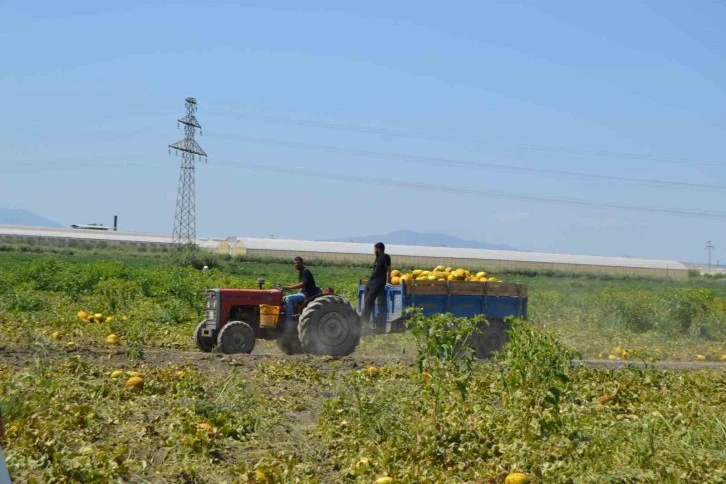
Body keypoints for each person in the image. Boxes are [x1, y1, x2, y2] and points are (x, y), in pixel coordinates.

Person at [360, 242, 391, 327]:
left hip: (378, 282)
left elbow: (389, 270)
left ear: (378, 249)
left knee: (368, 302)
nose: (373, 251)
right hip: (371, 281)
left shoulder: (386, 256)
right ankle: (366, 321)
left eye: (374, 249)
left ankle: (362, 323)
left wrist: (388, 281)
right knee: (365, 300)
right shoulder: (377, 258)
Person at [281, 256, 318, 322]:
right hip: (303, 293)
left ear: (302, 263)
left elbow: (302, 284)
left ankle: (288, 321)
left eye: (297, 263)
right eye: (294, 263)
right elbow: (303, 286)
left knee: (288, 299)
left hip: (307, 294)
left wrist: (288, 287)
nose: (296, 264)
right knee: (283, 298)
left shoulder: (305, 271)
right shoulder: (301, 271)